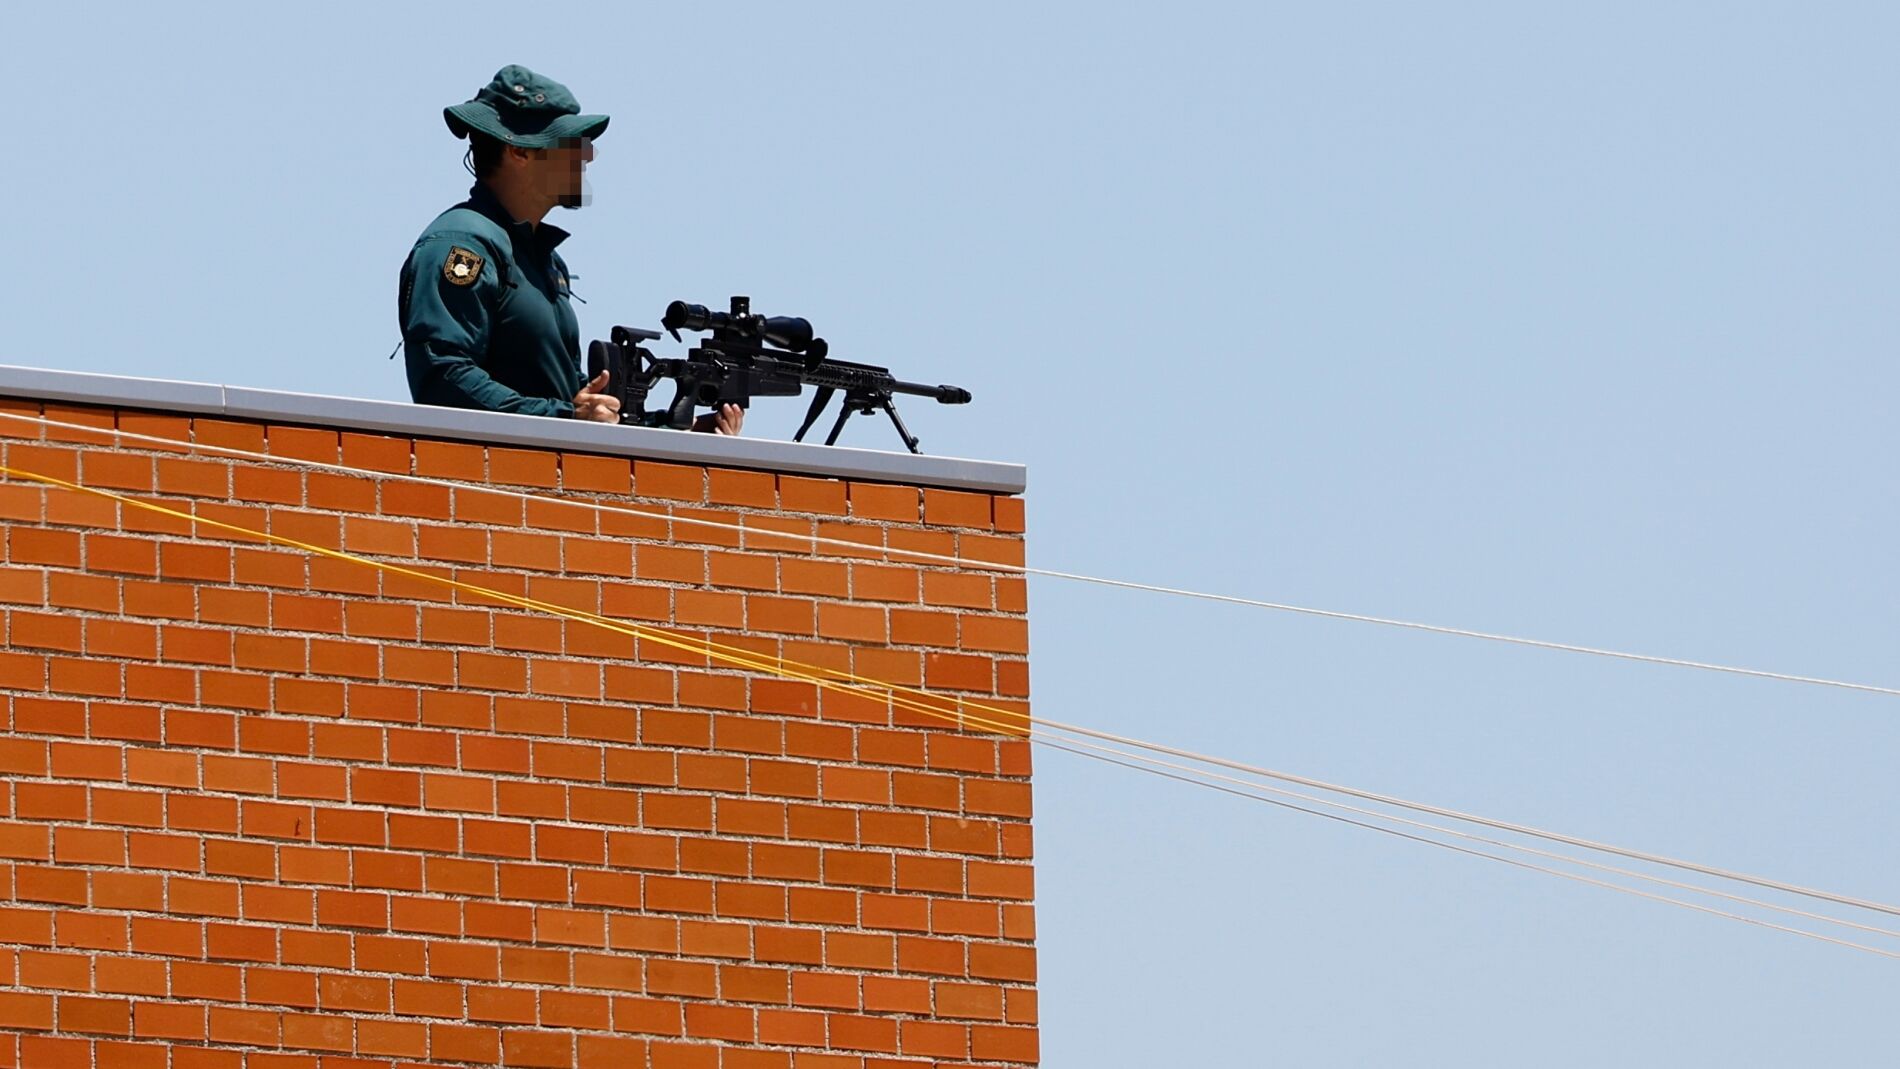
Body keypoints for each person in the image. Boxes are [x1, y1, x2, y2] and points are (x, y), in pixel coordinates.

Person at [399, 65, 742, 434]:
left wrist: (675, 431)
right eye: (571, 141)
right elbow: (443, 380)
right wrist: (566, 418)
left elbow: (570, 398)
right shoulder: (462, 244)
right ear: (519, 150)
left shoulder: (543, 259)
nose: (588, 154)